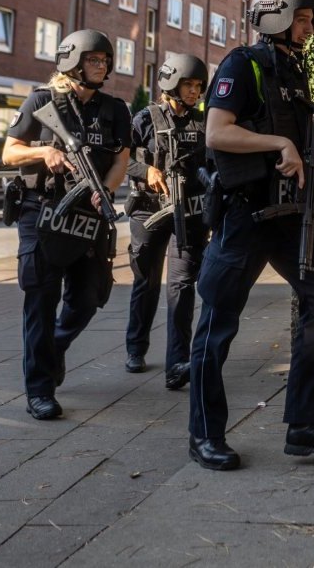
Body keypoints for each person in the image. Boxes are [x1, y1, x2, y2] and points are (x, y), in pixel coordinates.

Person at [187, 0, 314, 470]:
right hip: (246, 214)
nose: (310, 28)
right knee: (217, 324)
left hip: (292, 216)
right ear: (277, 17)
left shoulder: (292, 70)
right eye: (303, 20)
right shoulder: (242, 65)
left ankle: (308, 425)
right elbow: (218, 131)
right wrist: (278, 145)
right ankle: (204, 435)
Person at [2, 30, 130, 420]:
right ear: (73, 61)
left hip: (88, 215)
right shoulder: (42, 101)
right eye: (94, 60)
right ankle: (39, 389)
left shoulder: (115, 109)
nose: (102, 66)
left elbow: (122, 160)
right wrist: (45, 151)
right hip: (41, 211)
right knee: (40, 300)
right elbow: (9, 152)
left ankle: (54, 348)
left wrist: (104, 191)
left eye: (106, 61)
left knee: (88, 298)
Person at [123, 53, 209, 389]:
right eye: (188, 84)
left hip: (189, 214)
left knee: (182, 286)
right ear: (171, 83)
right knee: (146, 281)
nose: (194, 91)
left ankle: (178, 362)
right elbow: (120, 159)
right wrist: (146, 171)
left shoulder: (202, 123)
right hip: (149, 210)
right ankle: (135, 347)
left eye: (198, 85)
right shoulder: (144, 119)